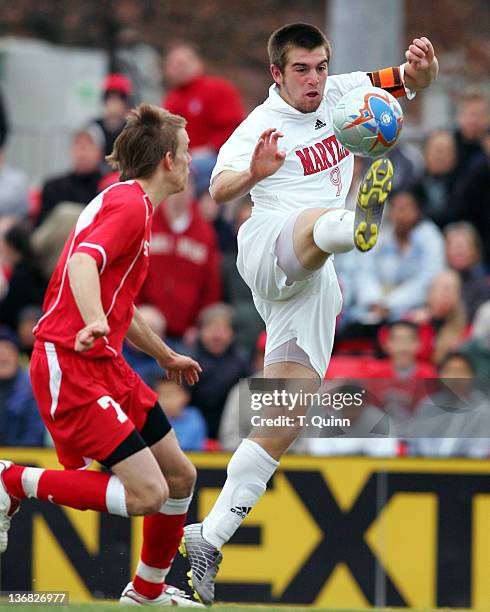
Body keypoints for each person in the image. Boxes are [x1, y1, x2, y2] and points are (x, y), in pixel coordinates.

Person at [180, 23, 438, 605]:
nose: (315, 80)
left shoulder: (347, 91)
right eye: (301, 69)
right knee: (318, 224)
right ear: (277, 73)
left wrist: (422, 75)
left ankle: (209, 538)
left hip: (313, 281)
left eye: (320, 66)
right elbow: (219, 189)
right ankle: (354, 224)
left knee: (283, 416)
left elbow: (402, 80)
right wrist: (255, 174)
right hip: (270, 240)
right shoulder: (257, 127)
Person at [0, 103, 204, 607]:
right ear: (167, 162)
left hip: (103, 362)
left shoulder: (130, 204)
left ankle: (148, 591)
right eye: (185, 152)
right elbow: (83, 265)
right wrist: (92, 320)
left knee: (180, 476)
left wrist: (164, 355)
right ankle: (12, 481)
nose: (190, 160)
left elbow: (121, 307)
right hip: (70, 361)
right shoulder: (131, 207)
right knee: (147, 495)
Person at [162, 43, 245, 195]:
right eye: (174, 64)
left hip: (217, 157)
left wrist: (209, 148)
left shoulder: (218, 89)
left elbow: (233, 126)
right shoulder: (171, 100)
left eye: (184, 62)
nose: (180, 68)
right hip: (185, 158)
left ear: (198, 63)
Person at [36, 127, 104, 227]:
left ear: (99, 153)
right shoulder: (53, 187)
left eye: (87, 148)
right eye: (77, 147)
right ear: (70, 151)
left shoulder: (108, 188)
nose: (82, 154)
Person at [0, 327, 45, 447]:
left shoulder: (33, 390)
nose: (3, 357)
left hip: (26, 460)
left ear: (17, 357)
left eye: (7, 351)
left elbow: (35, 436)